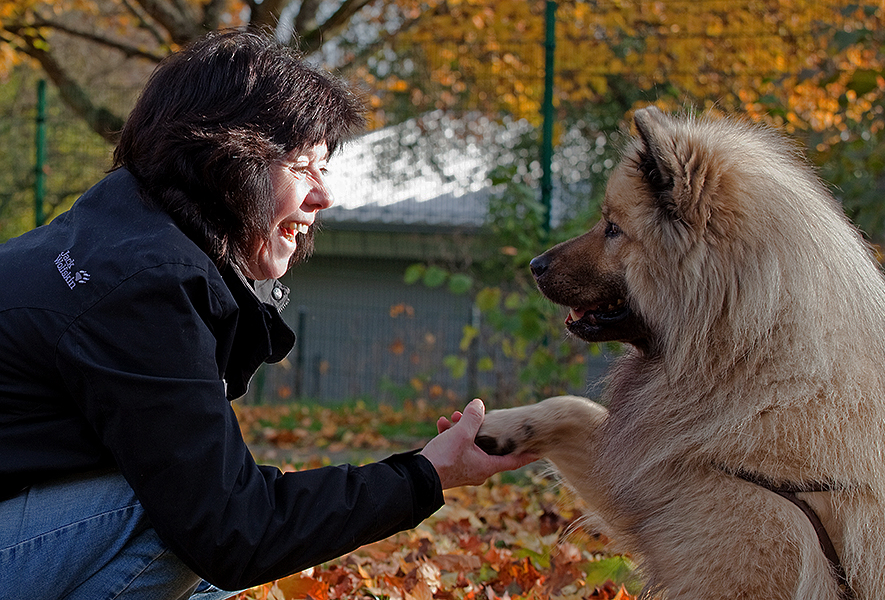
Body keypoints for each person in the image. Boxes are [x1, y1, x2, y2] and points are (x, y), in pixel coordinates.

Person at [0, 29, 536, 600]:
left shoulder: (116, 235)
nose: (324, 196)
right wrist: (427, 475)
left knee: (196, 553)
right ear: (230, 159)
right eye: (305, 167)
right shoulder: (142, 285)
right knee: (163, 511)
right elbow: (234, 527)